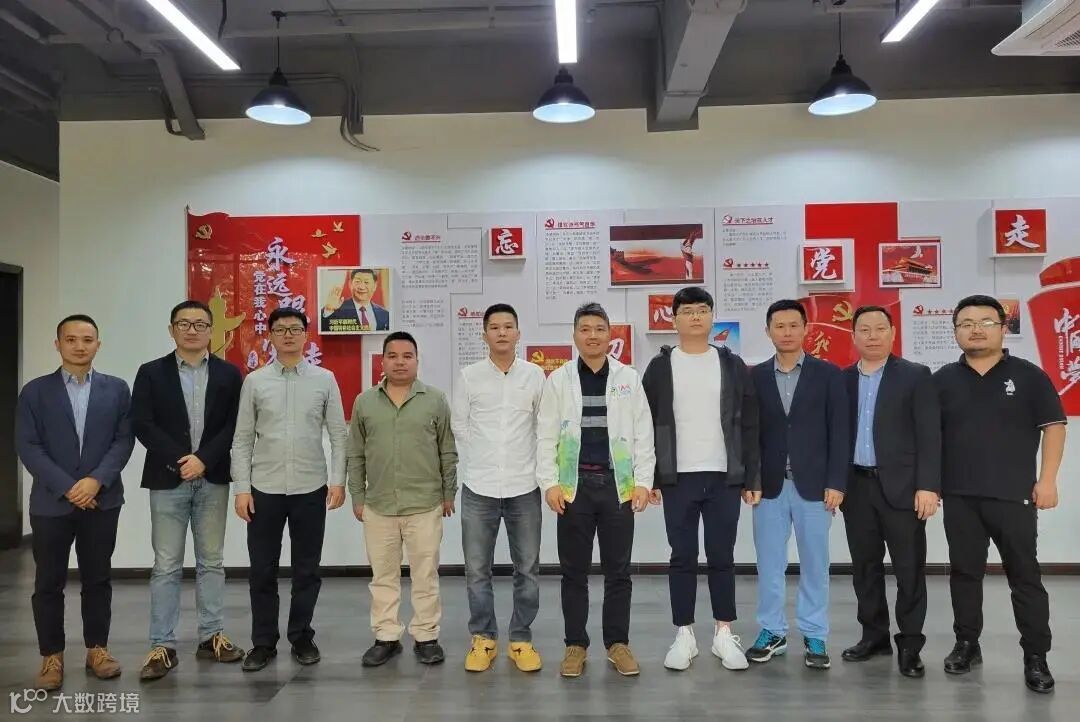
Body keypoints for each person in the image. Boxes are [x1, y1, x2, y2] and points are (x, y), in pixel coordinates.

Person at [934, 295, 1066, 693]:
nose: (976, 329)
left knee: (1025, 576)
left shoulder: (1028, 376)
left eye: (986, 322)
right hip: (960, 495)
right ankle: (966, 644)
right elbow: (927, 436)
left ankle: (1036, 656)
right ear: (956, 332)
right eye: (966, 323)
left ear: (1002, 328)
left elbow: (1054, 426)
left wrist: (1047, 480)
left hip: (1014, 496)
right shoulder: (942, 380)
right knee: (964, 574)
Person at [641, 286, 760, 672]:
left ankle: (724, 633)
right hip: (677, 477)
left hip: (724, 475)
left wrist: (751, 476)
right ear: (674, 320)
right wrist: (650, 476)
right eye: (687, 311)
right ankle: (684, 634)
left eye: (703, 310)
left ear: (712, 317)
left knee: (722, 555)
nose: (695, 316)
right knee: (682, 556)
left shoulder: (732, 364)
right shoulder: (660, 367)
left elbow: (749, 423)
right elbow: (646, 424)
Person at [536, 302, 655, 678]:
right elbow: (545, 435)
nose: (592, 336)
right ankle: (575, 644)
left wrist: (643, 481)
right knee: (574, 572)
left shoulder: (627, 377)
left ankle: (618, 644)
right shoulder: (559, 380)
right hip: (574, 489)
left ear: (609, 336)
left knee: (619, 571)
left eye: (599, 329)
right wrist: (549, 483)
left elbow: (643, 432)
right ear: (574, 335)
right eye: (585, 329)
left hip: (618, 487)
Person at [17, 314, 135, 691]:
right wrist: (69, 487)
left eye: (87, 339)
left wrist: (95, 481)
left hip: (102, 500)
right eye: (71, 339)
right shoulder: (35, 392)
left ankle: (97, 650)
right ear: (58, 344)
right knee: (48, 582)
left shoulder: (116, 389)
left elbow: (123, 441)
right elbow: (28, 446)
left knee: (97, 579)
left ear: (98, 344)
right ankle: (51, 656)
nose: (79, 346)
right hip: (51, 502)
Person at [131, 300, 245, 680]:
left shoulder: (229, 374)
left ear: (211, 331)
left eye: (199, 324)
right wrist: (183, 460)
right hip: (168, 478)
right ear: (172, 330)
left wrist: (204, 460)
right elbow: (142, 423)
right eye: (184, 323)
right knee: (166, 564)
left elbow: (234, 425)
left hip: (212, 478)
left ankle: (211, 636)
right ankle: (161, 645)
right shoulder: (151, 373)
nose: (192, 330)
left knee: (211, 561)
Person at [230, 308, 348, 672]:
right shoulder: (255, 381)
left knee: (306, 569)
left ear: (306, 335)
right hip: (263, 488)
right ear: (270, 335)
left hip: (310, 487)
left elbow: (338, 434)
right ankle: (263, 643)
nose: (288, 335)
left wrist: (338, 480)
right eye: (280, 329)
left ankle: (301, 636)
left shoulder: (324, 379)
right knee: (262, 570)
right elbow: (242, 438)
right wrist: (241, 488)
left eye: (295, 329)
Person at [747, 299, 849, 670]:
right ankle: (772, 630)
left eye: (794, 325)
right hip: (769, 487)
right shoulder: (755, 376)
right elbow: (749, 433)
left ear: (806, 329)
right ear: (768, 331)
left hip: (816, 488)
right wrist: (751, 479)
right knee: (769, 564)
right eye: (779, 326)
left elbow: (840, 432)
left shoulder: (829, 374)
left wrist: (836, 482)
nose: (787, 332)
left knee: (815, 564)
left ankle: (815, 633)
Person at [840, 305, 940, 678]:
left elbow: (930, 434)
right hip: (856, 488)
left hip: (903, 490)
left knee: (909, 570)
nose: (872, 335)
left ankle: (910, 645)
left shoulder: (915, 376)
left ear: (893, 333)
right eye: (864, 329)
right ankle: (874, 636)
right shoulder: (843, 379)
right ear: (854, 336)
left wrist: (928, 486)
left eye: (880, 328)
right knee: (864, 568)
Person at [349, 331, 458, 667]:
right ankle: (386, 636)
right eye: (392, 356)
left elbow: (447, 450)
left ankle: (426, 636)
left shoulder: (435, 400)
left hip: (425, 503)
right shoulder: (365, 402)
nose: (400, 362)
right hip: (378, 504)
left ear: (417, 360)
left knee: (425, 574)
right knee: (383, 576)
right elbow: (356, 454)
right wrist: (357, 495)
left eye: (407, 356)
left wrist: (448, 493)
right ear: (382, 361)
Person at [452, 304, 546, 673]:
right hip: (480, 486)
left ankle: (521, 639)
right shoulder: (469, 376)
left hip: (524, 486)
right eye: (495, 327)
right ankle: (484, 638)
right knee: (477, 570)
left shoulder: (534, 375)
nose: (502, 332)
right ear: (484, 334)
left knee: (528, 569)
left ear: (518, 333)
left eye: (508, 326)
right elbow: (460, 425)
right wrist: (482, 456)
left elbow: (543, 426)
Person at [322, 268, 390, 331]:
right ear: (350, 284)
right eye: (357, 281)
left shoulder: (384, 314)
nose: (362, 287)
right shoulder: (337, 309)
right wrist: (329, 309)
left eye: (366, 282)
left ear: (375, 286)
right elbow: (324, 329)